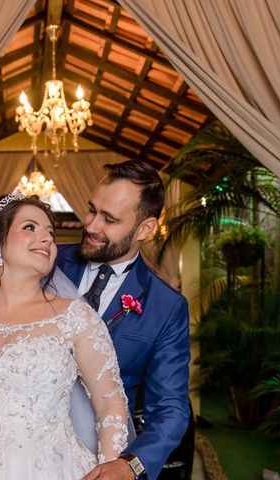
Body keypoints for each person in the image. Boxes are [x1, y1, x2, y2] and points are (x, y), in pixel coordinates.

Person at [0, 193, 129, 480]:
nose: (46, 239)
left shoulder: (75, 317)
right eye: (30, 227)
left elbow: (110, 403)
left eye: (50, 234)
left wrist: (110, 466)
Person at [56, 160, 191, 480]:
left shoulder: (166, 307)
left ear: (145, 228)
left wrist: (131, 463)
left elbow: (171, 409)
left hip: (99, 458)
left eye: (109, 219)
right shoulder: (48, 262)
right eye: (92, 210)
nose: (90, 226)